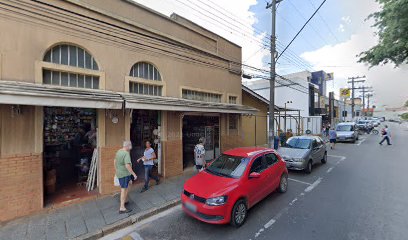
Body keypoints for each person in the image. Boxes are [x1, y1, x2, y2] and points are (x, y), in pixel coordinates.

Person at [114, 141, 137, 214]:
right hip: (124, 174)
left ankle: (125, 200)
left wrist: (117, 169)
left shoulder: (119, 151)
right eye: (130, 145)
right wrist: (133, 174)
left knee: (130, 183)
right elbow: (127, 165)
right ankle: (122, 208)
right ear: (127, 146)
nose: (131, 147)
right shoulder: (126, 153)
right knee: (123, 189)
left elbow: (114, 161)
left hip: (122, 173)